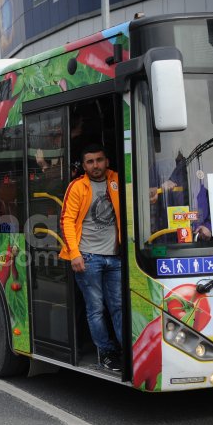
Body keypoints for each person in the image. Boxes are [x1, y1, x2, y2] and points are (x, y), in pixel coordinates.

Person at [59, 143, 122, 373]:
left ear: (106, 161)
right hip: (88, 257)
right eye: (90, 161)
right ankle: (106, 352)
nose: (96, 165)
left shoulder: (117, 180)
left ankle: (127, 349)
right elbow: (66, 220)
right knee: (95, 308)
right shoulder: (77, 187)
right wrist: (75, 255)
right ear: (84, 165)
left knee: (118, 306)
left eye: (99, 160)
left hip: (116, 257)